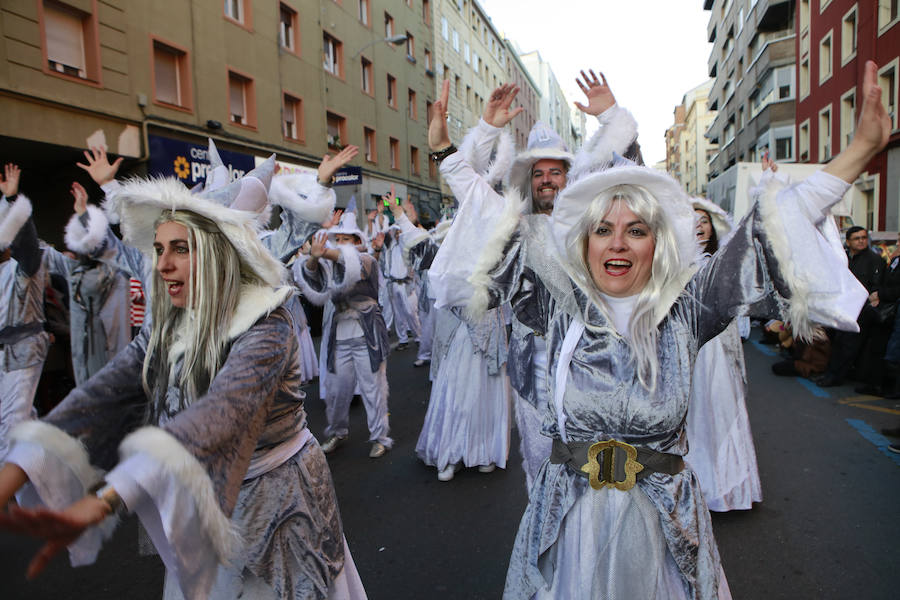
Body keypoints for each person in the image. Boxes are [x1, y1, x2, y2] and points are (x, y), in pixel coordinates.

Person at [424, 60, 888, 598]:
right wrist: (450, 150)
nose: (618, 243)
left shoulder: (686, 308)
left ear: (657, 242)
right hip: (569, 530)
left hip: (665, 529)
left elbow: (767, 232)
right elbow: (488, 215)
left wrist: (858, 152)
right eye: (603, 230)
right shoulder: (556, 304)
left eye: (636, 230)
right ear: (584, 243)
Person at [0, 158, 366, 599]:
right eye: (158, 249)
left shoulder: (266, 324)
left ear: (215, 251)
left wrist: (108, 498)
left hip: (281, 508)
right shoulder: (168, 327)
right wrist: (18, 467)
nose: (162, 265)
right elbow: (102, 395)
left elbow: (220, 416)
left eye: (180, 249)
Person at [448, 72, 641, 489]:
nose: (548, 179)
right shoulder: (511, 225)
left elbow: (632, 180)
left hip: (591, 360)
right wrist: (486, 130)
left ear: (570, 178)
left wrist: (612, 117)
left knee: (593, 468)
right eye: (539, 173)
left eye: (556, 171)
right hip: (532, 361)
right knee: (539, 461)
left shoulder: (592, 226)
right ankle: (542, 526)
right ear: (528, 181)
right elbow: (468, 186)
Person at [387, 192, 512, 481]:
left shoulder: (497, 251)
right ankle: (451, 452)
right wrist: (400, 215)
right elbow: (422, 245)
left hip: (489, 334)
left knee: (486, 392)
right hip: (458, 335)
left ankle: (484, 452)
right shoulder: (445, 252)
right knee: (457, 391)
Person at [684, 196, 762, 512]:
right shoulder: (673, 264)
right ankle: (692, 487)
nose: (699, 226)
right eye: (692, 221)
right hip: (688, 349)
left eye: (704, 221)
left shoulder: (723, 262)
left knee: (721, 410)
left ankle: (727, 489)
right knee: (691, 416)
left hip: (718, 350)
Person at [297, 208, 393, 459]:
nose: (340, 243)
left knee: (373, 389)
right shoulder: (329, 263)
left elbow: (350, 264)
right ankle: (337, 432)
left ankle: (380, 437)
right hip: (340, 337)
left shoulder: (367, 260)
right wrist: (313, 258)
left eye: (345, 239)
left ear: (357, 241)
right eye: (337, 239)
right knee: (337, 391)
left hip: (366, 336)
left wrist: (322, 252)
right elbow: (312, 278)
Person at [40, 181, 131, 386]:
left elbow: (119, 237)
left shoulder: (118, 271)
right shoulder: (75, 269)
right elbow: (42, 252)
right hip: (84, 362)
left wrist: (85, 213)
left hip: (114, 361)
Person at [0, 163, 51, 460]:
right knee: (19, 422)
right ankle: (45, 473)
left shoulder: (23, 266)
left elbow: (28, 245)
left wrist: (12, 201)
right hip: (4, 354)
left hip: (23, 351)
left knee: (12, 426)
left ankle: (8, 484)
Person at [817, 225, 884, 386]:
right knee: (837, 340)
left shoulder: (875, 260)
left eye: (863, 238)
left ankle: (835, 377)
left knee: (848, 343)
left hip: (861, 309)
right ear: (848, 242)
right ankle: (833, 372)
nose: (861, 241)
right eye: (856, 238)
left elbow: (875, 288)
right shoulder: (843, 258)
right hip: (842, 307)